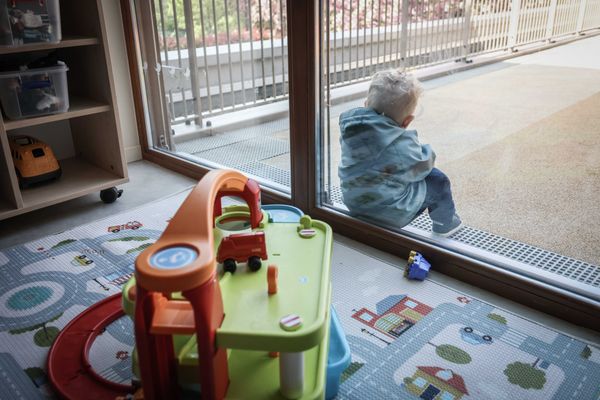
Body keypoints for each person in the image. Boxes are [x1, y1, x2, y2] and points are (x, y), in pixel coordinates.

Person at [338, 69, 462, 236]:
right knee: (437, 179)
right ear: (407, 121)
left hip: (353, 201)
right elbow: (424, 164)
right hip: (385, 213)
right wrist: (425, 149)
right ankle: (446, 224)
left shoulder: (350, 127)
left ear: (366, 104)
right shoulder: (399, 144)